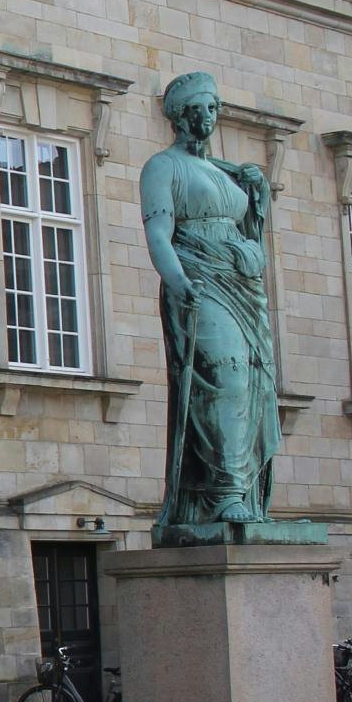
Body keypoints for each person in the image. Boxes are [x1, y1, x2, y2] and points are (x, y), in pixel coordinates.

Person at [138, 70, 280, 539]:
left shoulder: (226, 172)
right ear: (179, 116)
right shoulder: (163, 167)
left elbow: (247, 234)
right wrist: (177, 281)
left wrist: (254, 241)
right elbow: (159, 233)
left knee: (254, 383)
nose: (207, 117)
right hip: (199, 282)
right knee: (225, 373)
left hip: (243, 290)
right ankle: (225, 492)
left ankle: (243, 490)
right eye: (197, 108)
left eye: (213, 108)